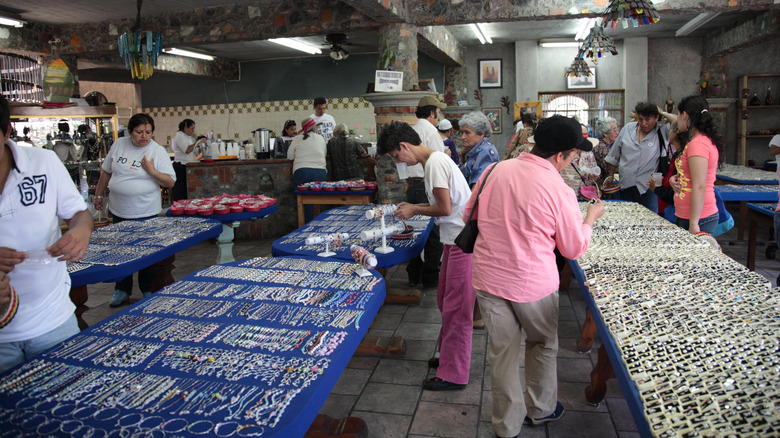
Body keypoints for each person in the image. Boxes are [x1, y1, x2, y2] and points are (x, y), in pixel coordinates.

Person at [464, 115, 604, 438]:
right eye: (572, 156)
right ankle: (541, 410)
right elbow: (573, 248)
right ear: (560, 156)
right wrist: (590, 218)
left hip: (489, 279)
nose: (571, 163)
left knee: (502, 354)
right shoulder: (559, 189)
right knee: (541, 344)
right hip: (533, 285)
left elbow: (467, 214)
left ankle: (506, 426)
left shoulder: (495, 170)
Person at [377, 121, 474, 392]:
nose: (401, 162)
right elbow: (446, 205)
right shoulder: (436, 160)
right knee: (446, 301)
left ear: (405, 146)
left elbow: (443, 208)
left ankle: (454, 374)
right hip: (453, 240)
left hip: (461, 243)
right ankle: (447, 358)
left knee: (457, 311)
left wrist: (413, 210)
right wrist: (414, 206)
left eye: (397, 156)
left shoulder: (434, 164)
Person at [0, 94, 94, 373]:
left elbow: (79, 214)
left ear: (6, 133)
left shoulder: (43, 163)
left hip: (53, 323)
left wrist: (81, 231)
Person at [94, 113, 176, 307]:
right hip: (119, 210)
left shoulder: (156, 151)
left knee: (146, 252)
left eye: (148, 132)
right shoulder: (119, 144)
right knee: (121, 252)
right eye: (139, 132)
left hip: (146, 211)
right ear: (130, 132)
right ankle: (122, 290)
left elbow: (170, 182)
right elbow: (106, 171)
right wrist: (99, 194)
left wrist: (152, 171)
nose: (144, 136)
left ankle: (147, 288)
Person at [666, 95, 724, 234]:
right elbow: (690, 176)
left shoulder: (698, 144)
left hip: (699, 218)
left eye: (678, 115)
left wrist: (693, 223)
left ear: (685, 115)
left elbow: (699, 185)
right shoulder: (695, 141)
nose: (677, 119)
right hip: (687, 213)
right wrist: (674, 179)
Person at [408, 95, 447, 289]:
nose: (438, 116)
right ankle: (430, 278)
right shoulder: (432, 132)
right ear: (432, 112)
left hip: (411, 185)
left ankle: (413, 275)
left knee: (413, 231)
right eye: (438, 112)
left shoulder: (412, 130)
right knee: (434, 233)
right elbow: (440, 161)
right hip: (427, 184)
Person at [604, 102, 672, 213]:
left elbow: (678, 122)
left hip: (649, 188)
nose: (643, 123)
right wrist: (610, 175)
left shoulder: (662, 131)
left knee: (650, 221)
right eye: (640, 119)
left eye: (647, 119)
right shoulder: (628, 129)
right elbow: (614, 155)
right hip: (626, 184)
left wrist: (662, 112)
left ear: (656, 118)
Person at [288, 117, 327, 222]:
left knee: (305, 200)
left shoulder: (297, 139)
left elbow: (289, 156)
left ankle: (307, 224)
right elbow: (324, 154)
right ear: (314, 129)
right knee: (316, 200)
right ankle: (318, 223)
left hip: (301, 172)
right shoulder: (321, 139)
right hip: (320, 173)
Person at [647, 121, 687, 217]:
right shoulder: (675, 155)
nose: (668, 133)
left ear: (676, 132)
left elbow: (677, 191)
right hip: (665, 209)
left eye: (671, 130)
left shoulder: (683, 159)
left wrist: (656, 189)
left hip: (674, 211)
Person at [459, 111, 499, 188]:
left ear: (481, 133)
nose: (462, 137)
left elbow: (477, 187)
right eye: (461, 132)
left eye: (467, 133)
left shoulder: (484, 151)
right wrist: (462, 156)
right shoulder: (475, 150)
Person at [560, 125, 600, 200]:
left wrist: (594, 176)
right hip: (567, 195)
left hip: (586, 195)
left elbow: (594, 170)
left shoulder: (588, 153)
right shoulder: (563, 154)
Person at [171, 119, 205, 201]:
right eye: (192, 128)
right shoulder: (179, 136)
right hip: (180, 166)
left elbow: (192, 151)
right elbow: (187, 150)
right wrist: (198, 142)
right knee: (181, 190)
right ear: (185, 127)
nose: (193, 131)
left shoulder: (187, 137)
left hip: (187, 165)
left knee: (187, 190)